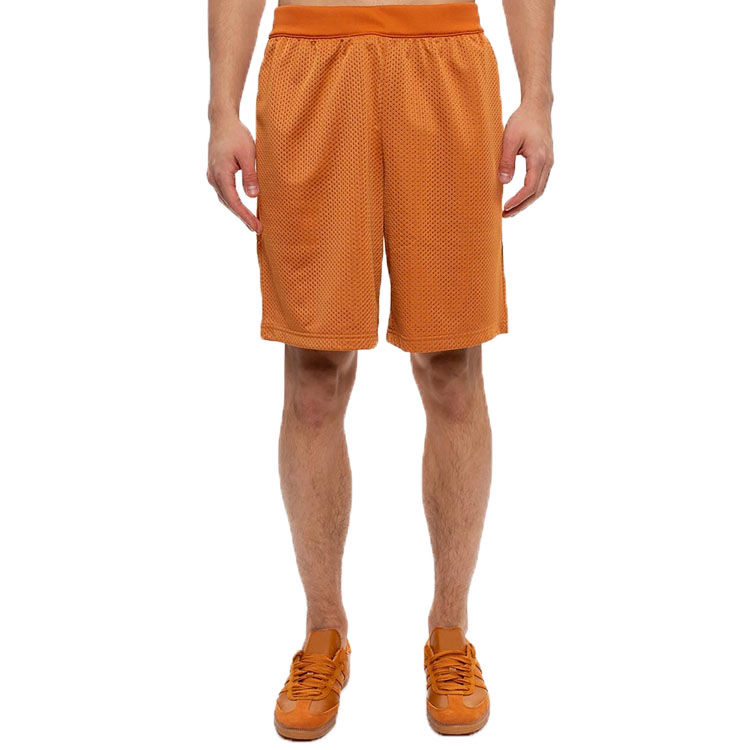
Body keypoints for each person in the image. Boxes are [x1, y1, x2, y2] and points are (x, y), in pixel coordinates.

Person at [207, 0, 554, 738]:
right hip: (311, 63)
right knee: (313, 374)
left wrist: (537, 96)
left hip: (444, 55)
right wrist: (221, 109)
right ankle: (323, 633)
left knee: (453, 367)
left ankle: (450, 633)